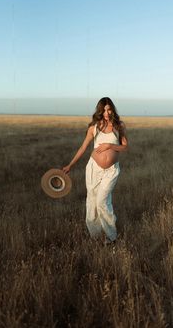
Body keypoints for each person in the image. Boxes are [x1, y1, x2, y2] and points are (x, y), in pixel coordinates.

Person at [62, 97, 128, 244]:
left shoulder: (119, 125)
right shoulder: (94, 127)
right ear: (99, 110)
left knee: (102, 201)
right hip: (93, 168)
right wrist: (70, 165)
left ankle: (112, 237)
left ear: (112, 109)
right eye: (103, 110)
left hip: (111, 170)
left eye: (109, 109)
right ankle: (96, 236)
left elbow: (125, 146)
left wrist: (109, 146)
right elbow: (83, 147)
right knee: (92, 201)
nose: (106, 112)